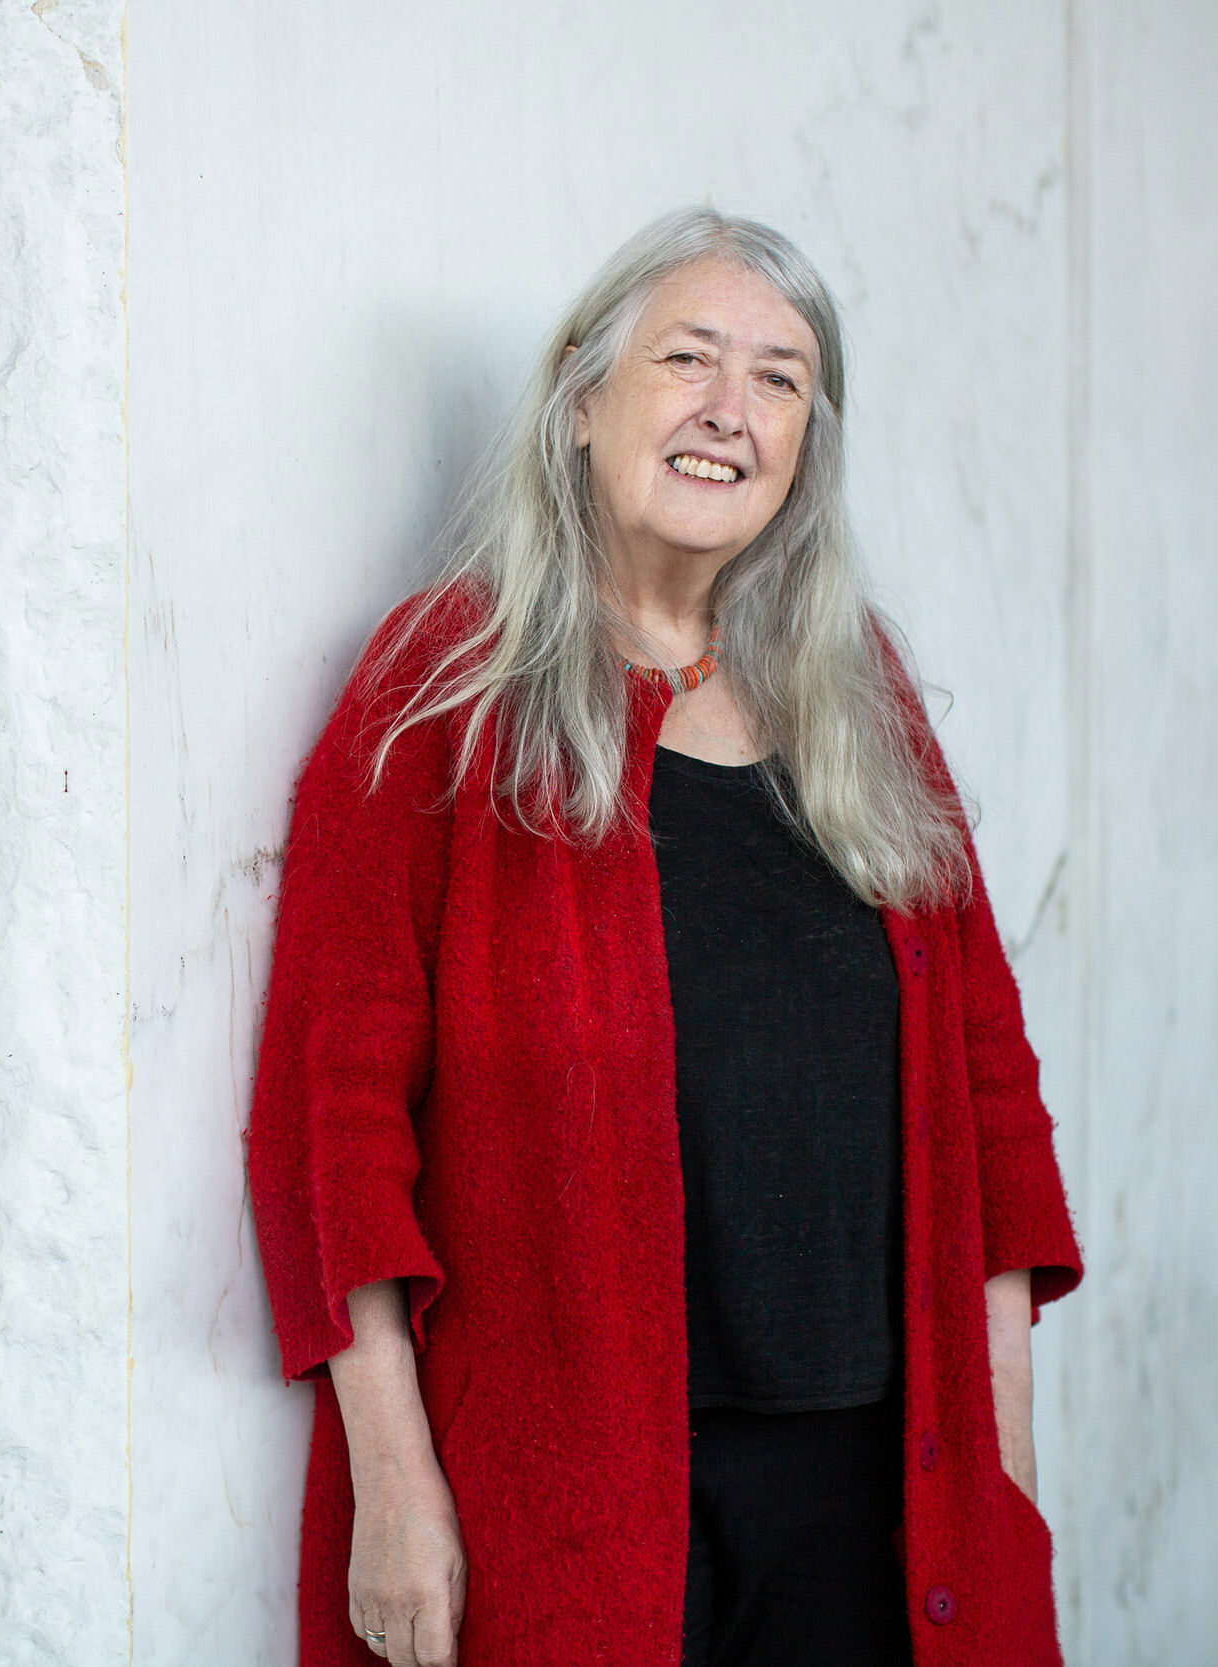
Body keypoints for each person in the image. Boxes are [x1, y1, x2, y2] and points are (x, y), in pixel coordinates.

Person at [244, 207, 1084, 1667]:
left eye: (779, 378)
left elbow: (991, 1102)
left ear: (809, 443)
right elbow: (334, 1128)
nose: (729, 410)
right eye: (687, 358)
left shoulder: (859, 697)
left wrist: (999, 1476)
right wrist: (393, 1484)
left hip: (874, 1491)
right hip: (569, 1494)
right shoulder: (442, 691)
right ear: (581, 403)